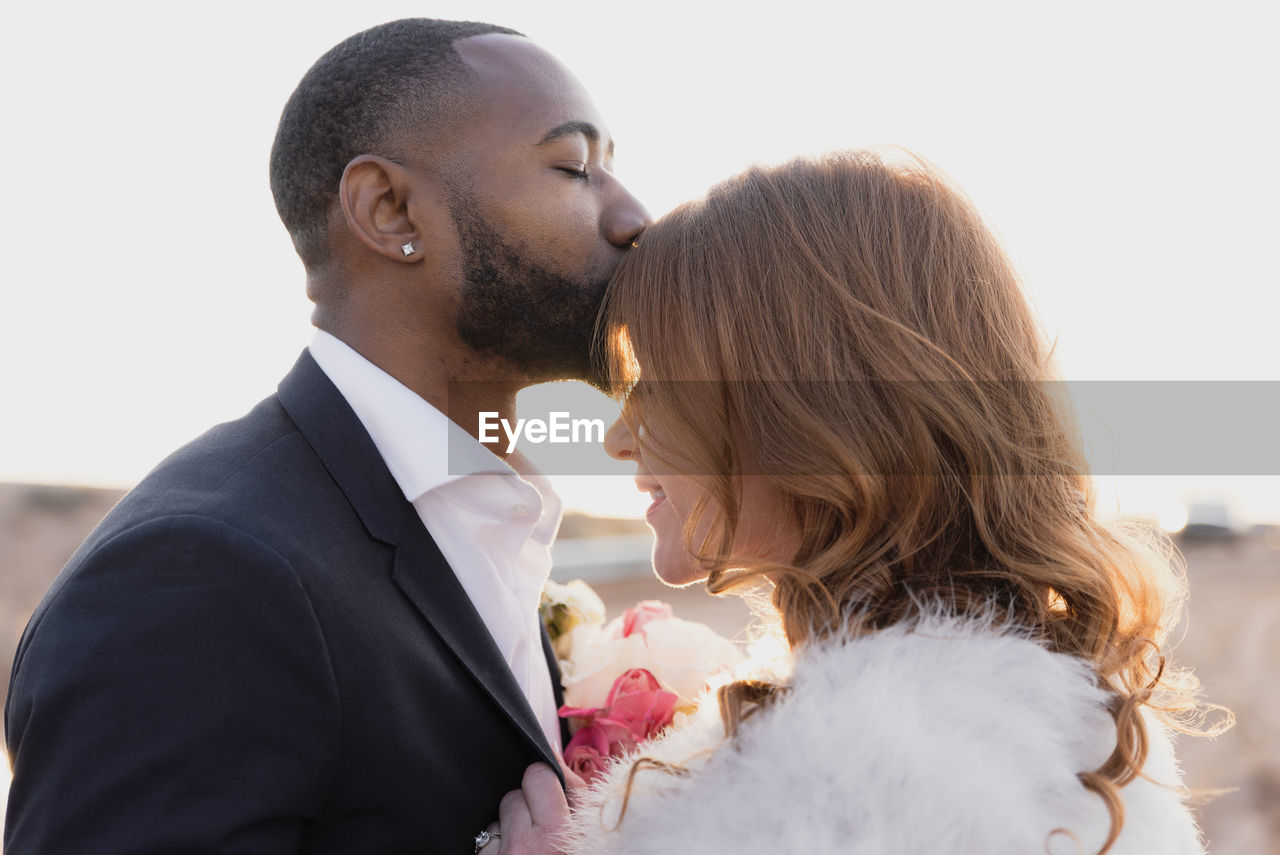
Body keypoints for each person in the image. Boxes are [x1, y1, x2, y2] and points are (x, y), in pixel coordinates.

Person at [3, 18, 648, 854]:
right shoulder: (201, 572)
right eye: (574, 167)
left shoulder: (486, 519)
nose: (633, 215)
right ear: (388, 208)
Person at [490, 150, 1226, 855]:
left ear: (801, 409)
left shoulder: (844, 772)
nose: (620, 438)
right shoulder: (1058, 714)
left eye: (659, 388)